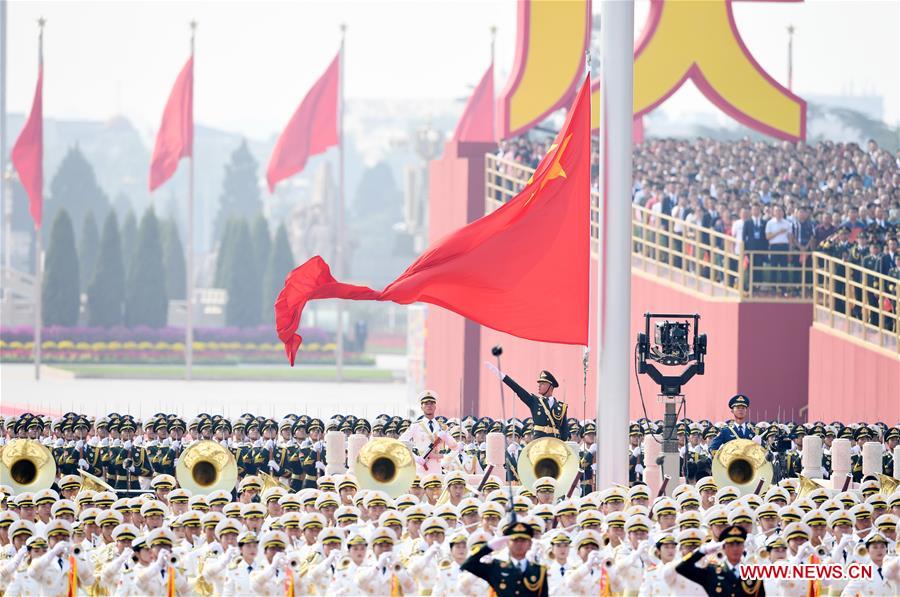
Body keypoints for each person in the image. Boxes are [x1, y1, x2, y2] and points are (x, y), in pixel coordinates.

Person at [461, 520, 549, 597]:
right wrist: (489, 547)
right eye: (515, 540)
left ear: (530, 544)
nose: (519, 544)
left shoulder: (539, 570)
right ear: (507, 543)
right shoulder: (496, 567)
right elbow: (468, 565)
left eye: (523, 540)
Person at [484, 363, 569, 440]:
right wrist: (501, 376)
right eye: (539, 383)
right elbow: (518, 389)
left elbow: (564, 434)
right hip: (538, 444)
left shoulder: (562, 407)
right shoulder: (534, 402)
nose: (539, 385)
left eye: (542, 383)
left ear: (551, 387)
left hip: (555, 444)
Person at [676, 525, 765, 597]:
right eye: (730, 544)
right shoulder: (711, 572)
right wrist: (702, 551)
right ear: (724, 547)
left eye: (738, 544)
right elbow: (682, 568)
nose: (735, 548)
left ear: (743, 547)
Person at [399, 391, 458, 474]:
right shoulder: (415, 426)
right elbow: (400, 443)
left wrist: (446, 438)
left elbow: (454, 447)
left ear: (435, 406)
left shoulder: (442, 426)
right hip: (421, 465)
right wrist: (415, 457)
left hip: (437, 466)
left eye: (432, 403)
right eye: (426, 403)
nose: (429, 406)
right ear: (421, 407)